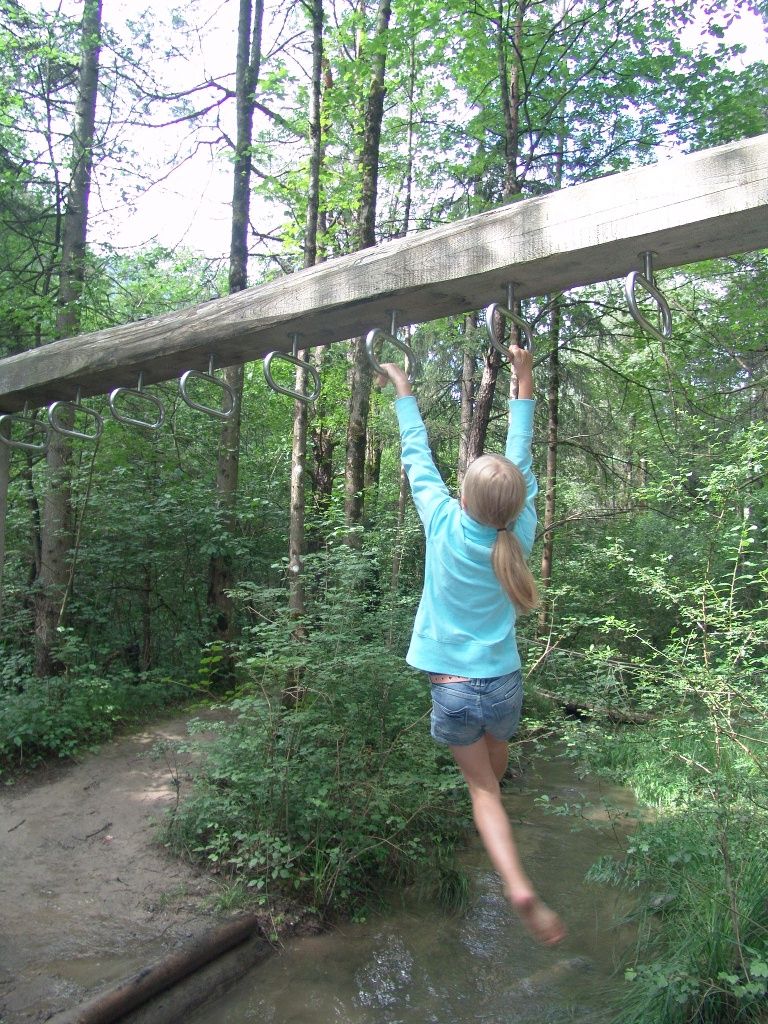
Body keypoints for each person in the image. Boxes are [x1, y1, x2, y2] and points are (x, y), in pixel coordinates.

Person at [377, 345, 565, 947]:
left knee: (481, 788)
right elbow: (522, 459)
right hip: (502, 685)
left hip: (453, 689)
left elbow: (417, 458)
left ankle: (516, 883)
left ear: (463, 496)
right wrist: (525, 379)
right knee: (493, 775)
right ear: (515, 505)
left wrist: (403, 386)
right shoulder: (521, 533)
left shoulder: (441, 521)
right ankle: (503, 833)